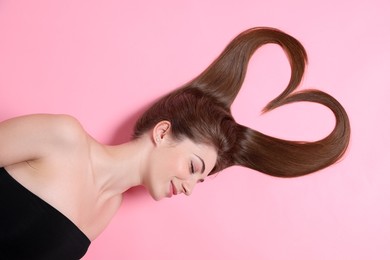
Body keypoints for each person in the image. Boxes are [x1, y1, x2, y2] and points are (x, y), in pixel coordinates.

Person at [0, 27, 350, 259]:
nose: (190, 188)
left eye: (200, 180)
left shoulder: (106, 210)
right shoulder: (62, 138)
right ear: (163, 132)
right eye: (194, 167)